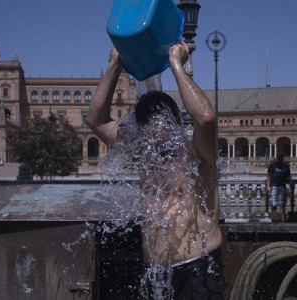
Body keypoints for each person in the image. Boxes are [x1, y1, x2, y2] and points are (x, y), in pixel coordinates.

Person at [86, 43, 225, 299]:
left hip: (198, 268)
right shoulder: (144, 154)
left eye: (161, 126)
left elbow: (205, 117)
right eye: (148, 129)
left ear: (176, 121)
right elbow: (95, 120)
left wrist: (176, 64)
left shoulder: (196, 153)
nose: (156, 138)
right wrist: (115, 63)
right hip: (155, 273)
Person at [267, 153, 292, 222]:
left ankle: (282, 218)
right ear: (277, 158)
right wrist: (268, 186)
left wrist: (290, 183)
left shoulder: (286, 166)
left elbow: (289, 176)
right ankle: (275, 218)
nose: (280, 158)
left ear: (283, 157)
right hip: (274, 186)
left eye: (281, 157)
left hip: (282, 186)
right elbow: (269, 176)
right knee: (274, 203)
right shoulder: (273, 165)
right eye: (279, 157)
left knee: (282, 203)